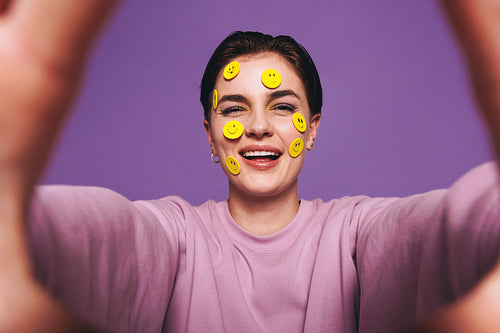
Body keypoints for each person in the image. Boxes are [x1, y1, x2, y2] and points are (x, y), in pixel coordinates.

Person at [1, 0, 500, 332]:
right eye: (235, 108)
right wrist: (21, 224)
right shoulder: (173, 238)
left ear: (314, 127)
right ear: (211, 136)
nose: (259, 127)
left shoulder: (355, 233)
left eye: (283, 106)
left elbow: (448, 227)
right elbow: (94, 237)